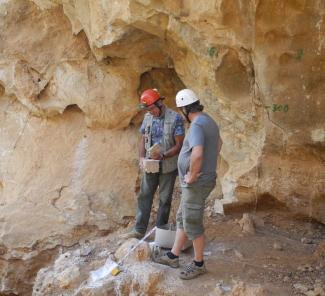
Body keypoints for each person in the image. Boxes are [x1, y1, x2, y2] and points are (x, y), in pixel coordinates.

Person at [153, 89, 223, 280]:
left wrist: (192, 175)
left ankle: (199, 264)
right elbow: (219, 144)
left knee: (192, 222)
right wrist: (208, 164)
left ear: (184, 109)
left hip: (197, 182)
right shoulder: (208, 120)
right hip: (203, 178)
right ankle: (173, 255)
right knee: (183, 216)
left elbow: (198, 153)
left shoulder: (197, 125)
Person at [124, 89, 185, 239]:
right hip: (151, 164)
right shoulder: (148, 117)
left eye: (152, 108)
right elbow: (143, 138)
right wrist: (142, 158)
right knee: (145, 195)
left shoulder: (175, 118)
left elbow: (179, 145)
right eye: (148, 109)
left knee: (164, 199)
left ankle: (160, 233)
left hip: (168, 165)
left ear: (160, 103)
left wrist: (163, 155)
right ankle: (139, 230)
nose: (151, 112)